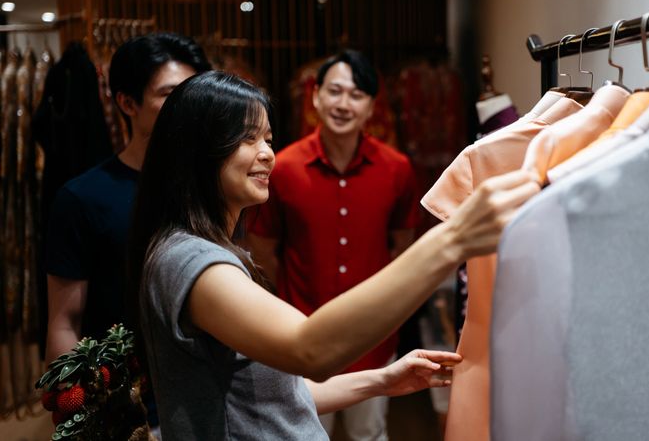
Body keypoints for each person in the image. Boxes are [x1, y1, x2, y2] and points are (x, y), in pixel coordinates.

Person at [126, 71, 537, 440]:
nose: (267, 152)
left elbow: (276, 393)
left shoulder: (215, 249)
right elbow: (310, 350)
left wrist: (382, 380)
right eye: (246, 138)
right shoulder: (188, 260)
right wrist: (453, 239)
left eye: (267, 138)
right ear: (198, 150)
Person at [244, 49, 418, 439]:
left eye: (356, 94)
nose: (343, 104)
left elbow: (403, 251)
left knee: (369, 433)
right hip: (301, 336)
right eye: (334, 91)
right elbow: (263, 252)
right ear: (316, 96)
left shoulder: (397, 169)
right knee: (302, 433)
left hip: (372, 339)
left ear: (372, 105)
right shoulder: (282, 167)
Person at [43, 32, 211, 432]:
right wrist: (77, 414)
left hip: (206, 392)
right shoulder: (83, 197)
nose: (185, 106)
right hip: (126, 405)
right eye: (170, 93)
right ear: (127, 102)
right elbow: (65, 319)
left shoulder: (213, 187)